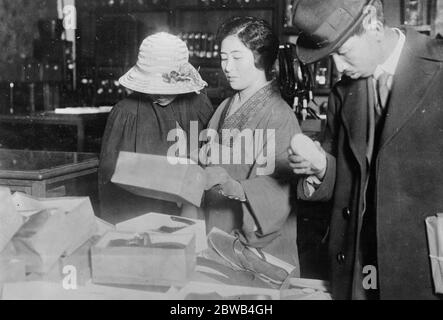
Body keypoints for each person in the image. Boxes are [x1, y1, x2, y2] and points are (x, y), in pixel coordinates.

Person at [288, 0, 443, 299]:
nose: (339, 68)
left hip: (426, 274)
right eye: (331, 56)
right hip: (361, 273)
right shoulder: (343, 93)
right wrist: (321, 168)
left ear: (372, 22)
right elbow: (350, 182)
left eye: (343, 52)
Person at [200, 16, 302, 274]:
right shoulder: (225, 106)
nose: (227, 67)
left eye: (236, 57)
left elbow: (278, 193)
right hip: (218, 232)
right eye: (223, 57)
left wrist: (230, 184)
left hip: (258, 247)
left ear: (261, 58)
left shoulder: (280, 115)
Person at [98, 32, 214, 224]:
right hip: (143, 216)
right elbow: (110, 179)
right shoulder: (126, 113)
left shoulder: (199, 105)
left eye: (166, 88)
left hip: (196, 212)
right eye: (154, 87)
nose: (160, 94)